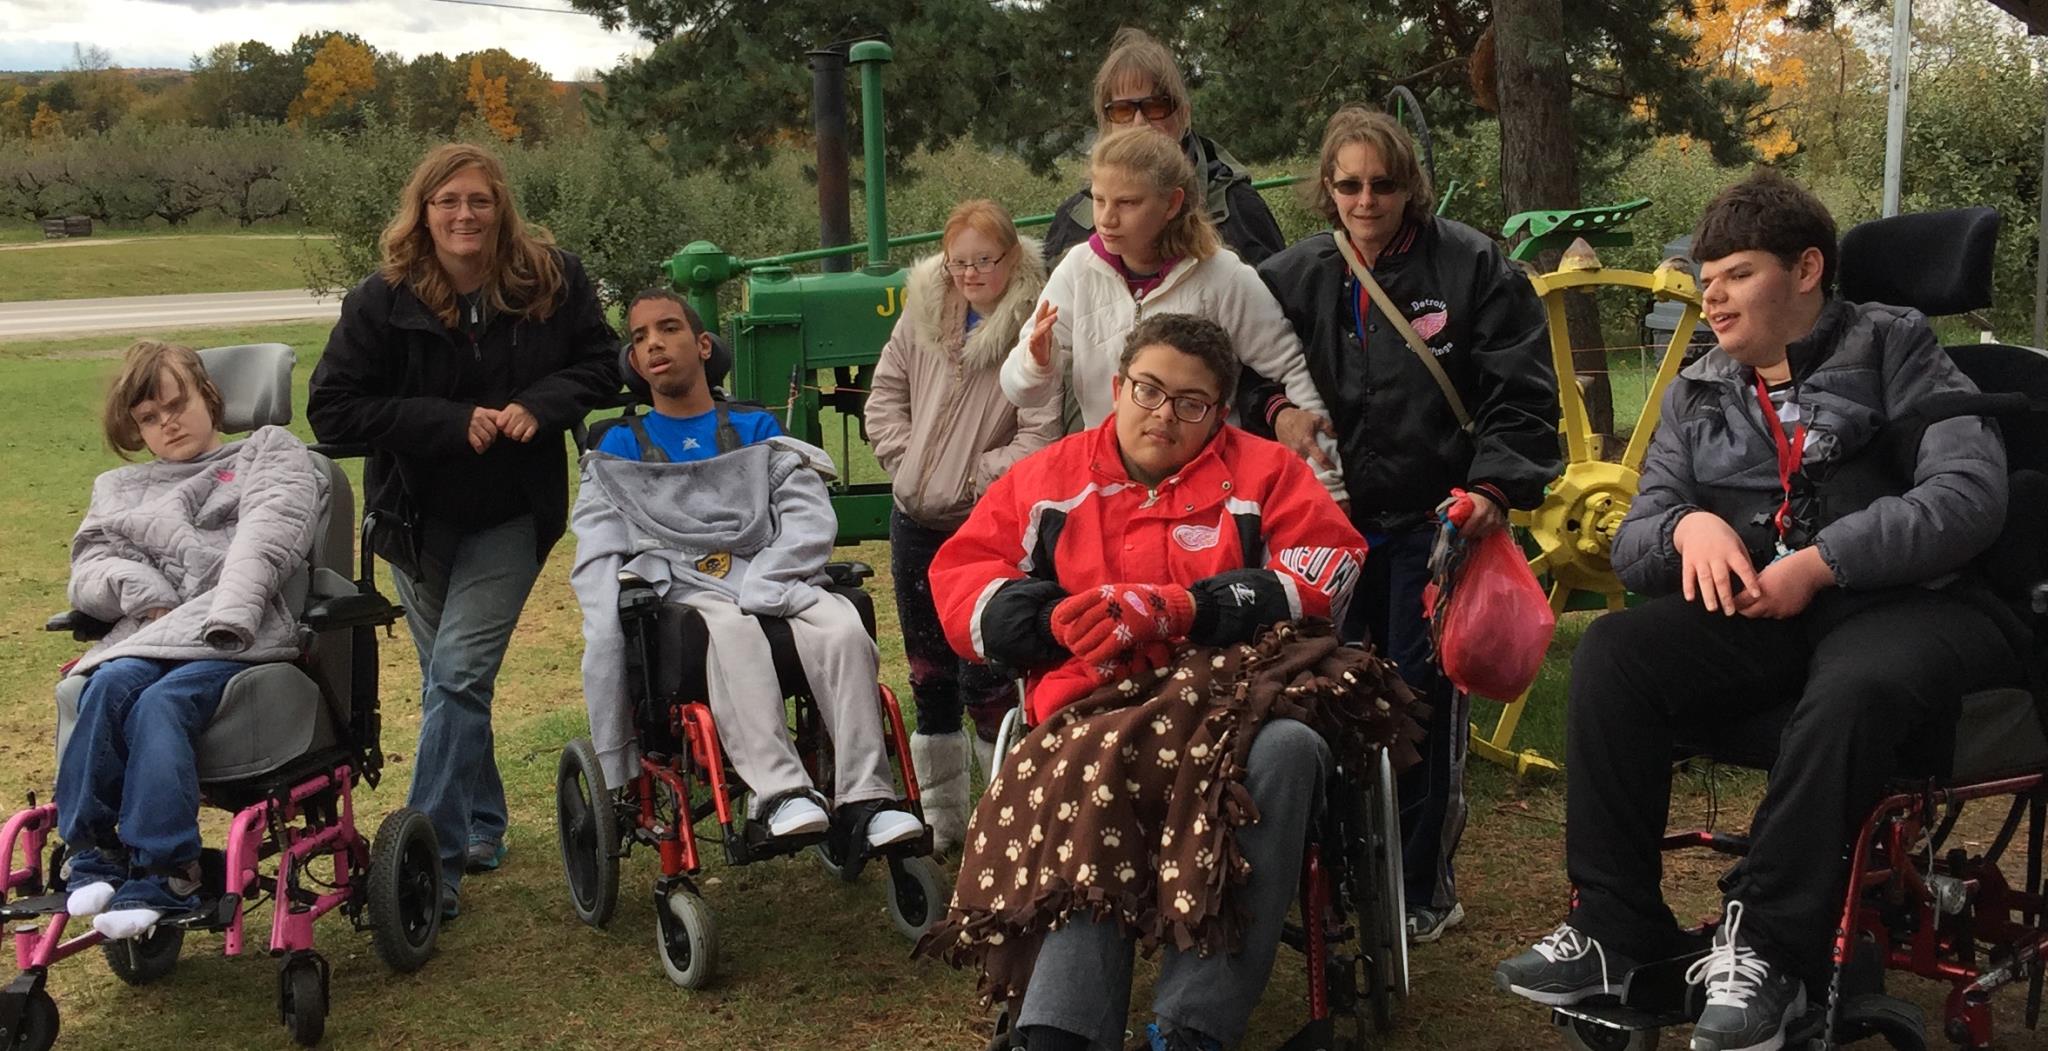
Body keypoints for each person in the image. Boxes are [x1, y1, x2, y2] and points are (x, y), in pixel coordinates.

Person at [1493, 169, 2018, 1051]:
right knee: (1617, 651)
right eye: (1707, 277)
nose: (1713, 294)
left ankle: (1771, 950)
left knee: (1853, 689)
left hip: (1906, 601)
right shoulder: (1702, 387)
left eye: (1736, 272)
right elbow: (1636, 536)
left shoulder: (1898, 346)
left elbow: (1969, 496)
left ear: (1807, 268)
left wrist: (1822, 561)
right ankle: (1617, 936)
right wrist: (1688, 525)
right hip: (1770, 611)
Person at [923, 313, 1415, 1051]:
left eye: (1191, 402)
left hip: (1241, 706)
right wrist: (1056, 618)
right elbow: (962, 585)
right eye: (1149, 391)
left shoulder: (1267, 474)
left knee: (1288, 751)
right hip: (1091, 710)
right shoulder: (1048, 480)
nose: (1164, 414)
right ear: (1117, 387)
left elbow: (1328, 571)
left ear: (1221, 411)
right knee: (1099, 761)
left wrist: (1194, 607)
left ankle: (1192, 1029)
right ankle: (1062, 1030)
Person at [1237, 105, 1560, 944]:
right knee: (1320, 694)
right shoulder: (1290, 275)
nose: (1366, 199)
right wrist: (1275, 412)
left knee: (1419, 702)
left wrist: (1494, 485)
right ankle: (1338, 877)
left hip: (1435, 520)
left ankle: (1422, 882)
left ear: (1408, 183)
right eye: (1348, 184)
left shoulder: (1475, 264)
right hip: (1327, 525)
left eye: (1382, 183)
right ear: (1326, 188)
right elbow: (1238, 373)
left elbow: (1521, 393)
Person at [307, 142, 619, 918]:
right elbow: (333, 409)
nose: (464, 214)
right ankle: (481, 823)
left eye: (478, 199)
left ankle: (428, 864)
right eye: (448, 201)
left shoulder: (553, 279)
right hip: (413, 519)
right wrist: (448, 423)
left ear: (500, 206)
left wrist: (541, 405)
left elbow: (602, 364)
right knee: (449, 681)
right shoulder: (382, 300)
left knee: (457, 676)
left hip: (513, 511)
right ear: (423, 211)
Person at [571, 289, 925, 853]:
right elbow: (598, 540)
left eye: (668, 329)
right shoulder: (618, 444)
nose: (654, 343)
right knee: (729, 631)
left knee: (842, 630)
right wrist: (604, 626)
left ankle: (868, 800)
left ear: (704, 345)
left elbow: (808, 515)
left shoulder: (757, 426)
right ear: (635, 364)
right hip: (682, 585)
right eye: (640, 339)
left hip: (771, 572)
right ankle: (781, 795)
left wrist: (771, 580)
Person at [58, 339, 326, 941]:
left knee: (161, 704)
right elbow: (92, 565)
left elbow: (267, 538)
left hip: (238, 634)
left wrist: (225, 615)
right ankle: (96, 855)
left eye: (177, 405)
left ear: (210, 396)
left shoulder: (269, 452)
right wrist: (144, 594)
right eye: (149, 418)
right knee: (105, 687)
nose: (167, 423)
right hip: (150, 630)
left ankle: (167, 869)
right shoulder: (120, 488)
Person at [866, 199, 1059, 855]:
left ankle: (1007, 819)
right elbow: (885, 394)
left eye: (985, 260)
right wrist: (909, 460)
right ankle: (944, 823)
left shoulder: (1035, 324)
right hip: (914, 519)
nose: (972, 273)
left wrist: (972, 477)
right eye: (960, 261)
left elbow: (1041, 432)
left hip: (986, 528)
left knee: (987, 672)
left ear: (1011, 258)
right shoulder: (923, 314)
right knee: (928, 670)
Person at [1001, 127, 1342, 496]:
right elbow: (1021, 391)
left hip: (1208, 489)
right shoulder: (1077, 270)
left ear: (1172, 204)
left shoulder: (1223, 276)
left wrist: (1328, 488)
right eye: (1099, 200)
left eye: (1127, 203)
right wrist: (1037, 364)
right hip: (1109, 488)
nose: (1107, 219)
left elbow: (1291, 367)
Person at [1040, 28, 1285, 269]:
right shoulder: (1075, 220)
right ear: (1106, 121)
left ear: (1183, 114)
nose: (1139, 122)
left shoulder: (1235, 207)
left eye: (1156, 106)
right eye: (1122, 110)